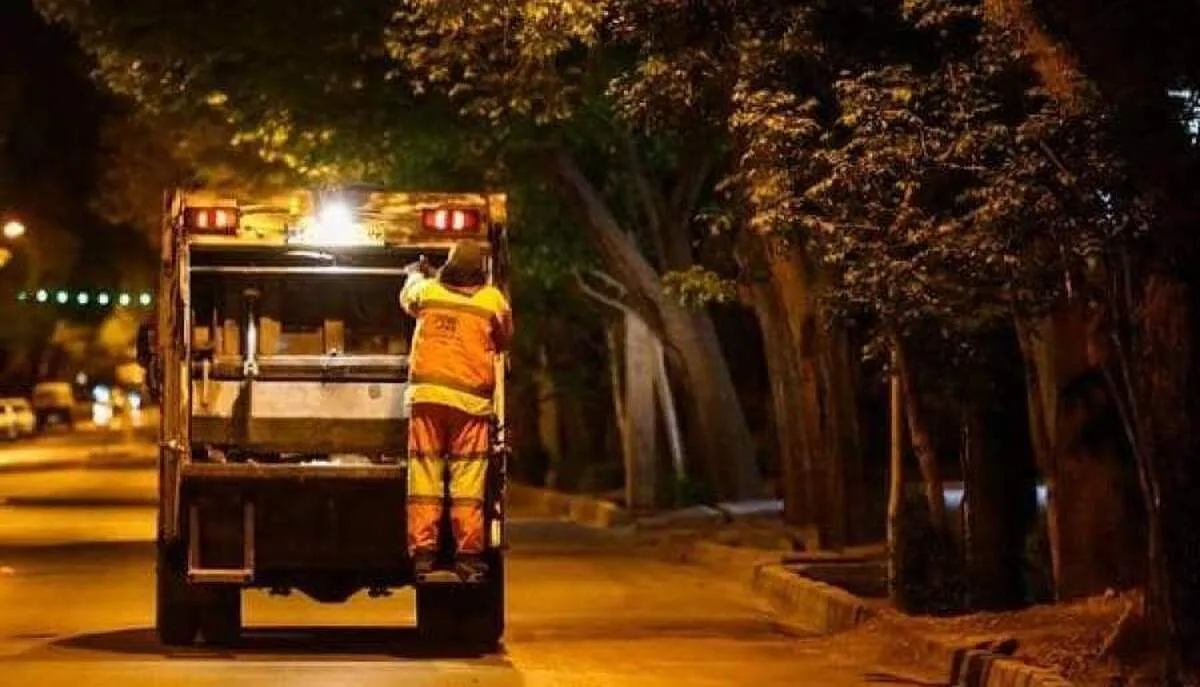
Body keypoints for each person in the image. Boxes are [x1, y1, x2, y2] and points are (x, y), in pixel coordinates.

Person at [399, 240, 513, 582]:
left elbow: (408, 296)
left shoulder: (428, 291)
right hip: (470, 405)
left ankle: (423, 554)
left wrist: (415, 273)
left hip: (428, 400)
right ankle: (467, 555)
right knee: (468, 482)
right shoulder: (492, 300)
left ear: (448, 266)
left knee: (425, 476)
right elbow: (504, 339)